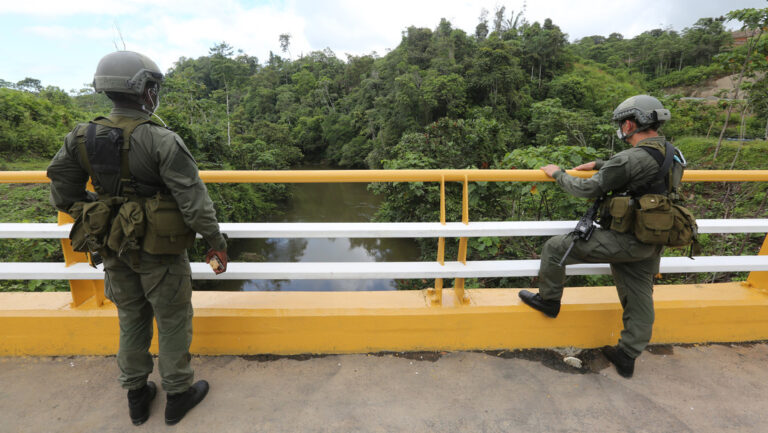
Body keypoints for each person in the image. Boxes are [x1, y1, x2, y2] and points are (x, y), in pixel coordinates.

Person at [47, 51, 229, 425]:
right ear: (144, 90)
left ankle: (136, 395)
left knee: (131, 317)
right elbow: (194, 203)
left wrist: (101, 205)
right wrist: (215, 241)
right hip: (161, 251)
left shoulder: (81, 136)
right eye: (153, 87)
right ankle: (178, 393)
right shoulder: (162, 140)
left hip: (114, 246)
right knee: (173, 318)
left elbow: (62, 194)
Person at [518, 95, 682, 379]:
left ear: (630, 124)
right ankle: (627, 355)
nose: (621, 128)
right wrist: (602, 163)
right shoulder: (673, 153)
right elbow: (644, 172)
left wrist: (558, 174)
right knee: (640, 297)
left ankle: (549, 301)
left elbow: (588, 189)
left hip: (627, 238)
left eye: (622, 124)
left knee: (556, 248)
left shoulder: (630, 157)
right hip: (653, 239)